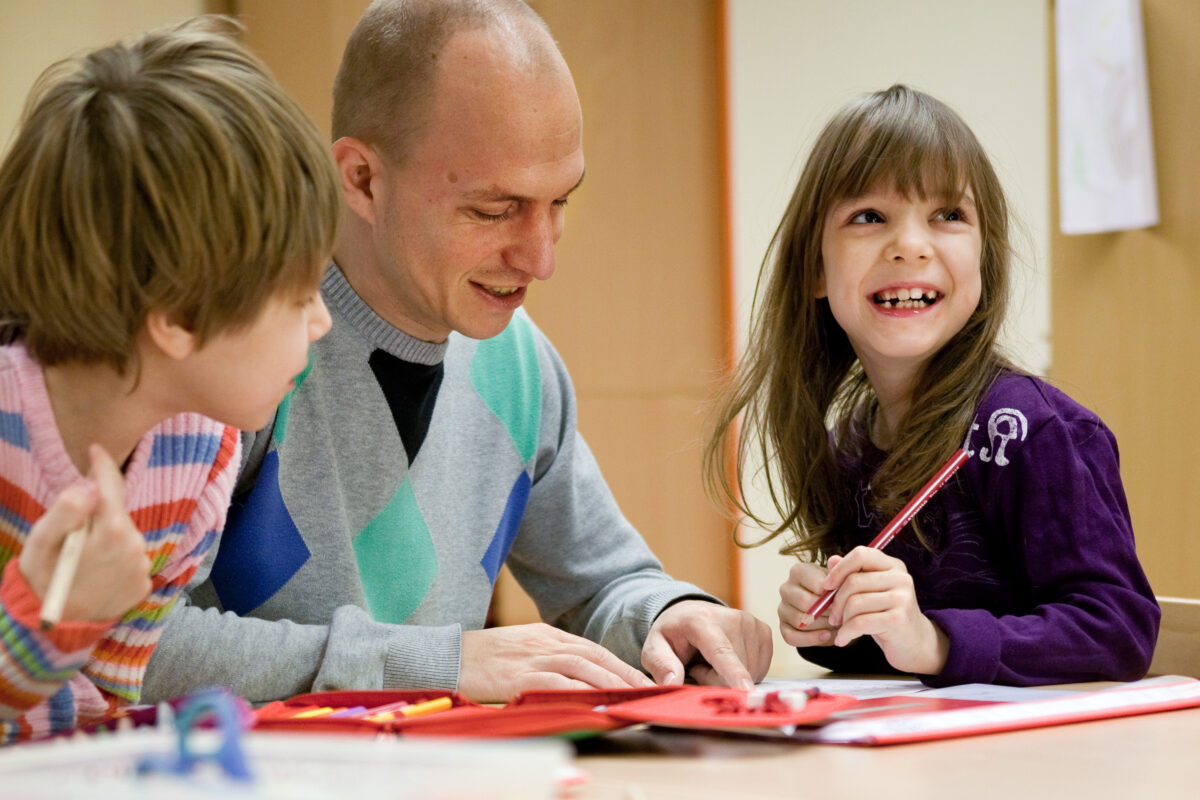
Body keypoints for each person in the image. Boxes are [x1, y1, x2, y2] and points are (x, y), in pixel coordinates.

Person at [141, 0, 770, 705]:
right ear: (362, 180)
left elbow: (605, 582)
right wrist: (432, 664)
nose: (540, 257)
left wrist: (669, 616)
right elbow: (127, 646)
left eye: (560, 201)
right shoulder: (236, 347)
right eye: (494, 209)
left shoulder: (521, 364)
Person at [704, 84, 1159, 686]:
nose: (911, 247)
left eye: (948, 215)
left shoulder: (1040, 432)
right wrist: (837, 624)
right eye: (869, 217)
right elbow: (902, 658)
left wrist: (936, 640)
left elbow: (1119, 631)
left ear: (984, 258)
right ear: (815, 268)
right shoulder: (850, 446)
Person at [0, 17, 338, 742]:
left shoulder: (201, 454)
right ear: (179, 315)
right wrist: (49, 620)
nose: (322, 323)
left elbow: (103, 705)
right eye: (300, 294)